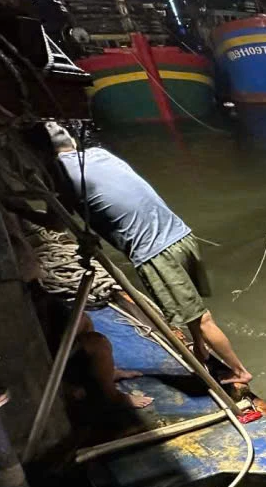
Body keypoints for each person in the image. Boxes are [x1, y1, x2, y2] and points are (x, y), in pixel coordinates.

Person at [45, 122, 251, 385]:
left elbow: (55, 223)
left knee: (200, 319)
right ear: (72, 142)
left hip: (155, 251)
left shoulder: (60, 172)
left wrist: (19, 207)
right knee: (191, 313)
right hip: (182, 236)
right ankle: (201, 351)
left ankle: (239, 371)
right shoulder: (100, 154)